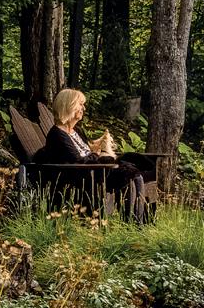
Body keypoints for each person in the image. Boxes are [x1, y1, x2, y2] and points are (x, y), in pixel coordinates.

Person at [37, 87, 148, 222]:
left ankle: (137, 223)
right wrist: (96, 154)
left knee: (135, 175)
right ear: (69, 106)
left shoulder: (76, 131)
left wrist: (98, 148)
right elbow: (78, 161)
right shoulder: (57, 135)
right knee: (129, 175)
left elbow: (86, 153)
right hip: (81, 180)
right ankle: (133, 223)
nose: (83, 108)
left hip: (93, 172)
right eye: (80, 104)